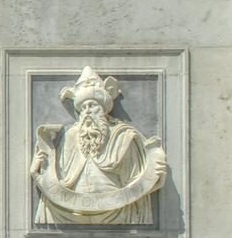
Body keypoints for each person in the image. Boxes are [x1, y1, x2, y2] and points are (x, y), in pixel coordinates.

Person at [31, 67, 167, 225]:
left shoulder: (124, 136)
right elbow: (62, 176)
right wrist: (38, 173)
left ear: (103, 110)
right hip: (69, 208)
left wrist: (155, 177)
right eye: (83, 107)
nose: (87, 111)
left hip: (119, 206)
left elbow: (137, 179)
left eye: (92, 106)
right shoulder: (71, 136)